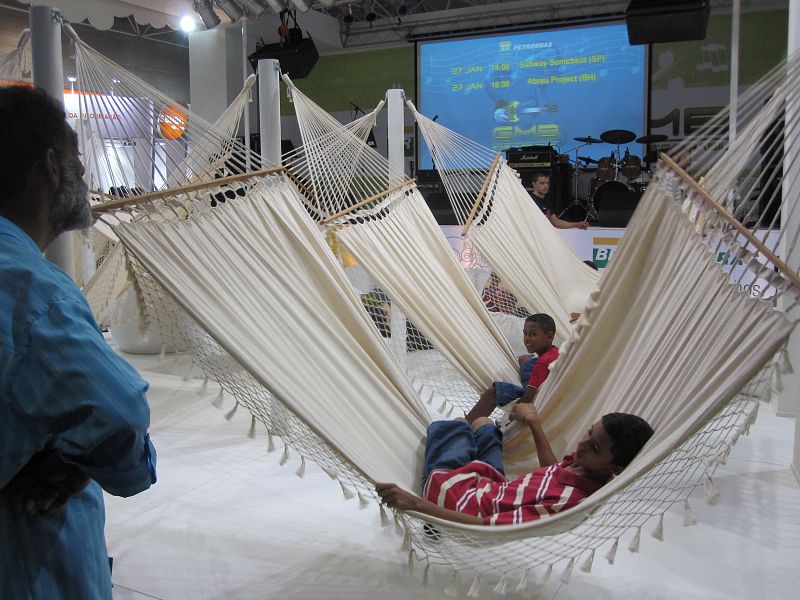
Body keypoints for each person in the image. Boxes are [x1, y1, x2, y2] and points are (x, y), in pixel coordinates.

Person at [0, 86, 157, 599]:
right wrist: (77, 465)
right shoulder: (32, 293)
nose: (85, 173)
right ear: (50, 167)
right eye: (75, 155)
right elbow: (120, 415)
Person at [376, 409, 654, 525]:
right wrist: (533, 422)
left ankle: (434, 516)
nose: (581, 446)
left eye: (594, 447)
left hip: (456, 495)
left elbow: (485, 526)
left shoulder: (569, 503)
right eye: (589, 433)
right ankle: (474, 438)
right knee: (484, 423)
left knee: (454, 425)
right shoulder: (585, 465)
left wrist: (416, 504)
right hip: (493, 483)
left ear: (615, 466)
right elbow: (554, 470)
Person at [465, 313, 559, 424]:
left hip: (536, 395)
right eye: (525, 333)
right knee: (525, 359)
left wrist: (510, 419)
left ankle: (464, 426)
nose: (527, 339)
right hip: (541, 374)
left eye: (533, 334)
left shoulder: (542, 364)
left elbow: (527, 400)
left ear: (549, 336)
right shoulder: (556, 352)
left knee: (495, 391)